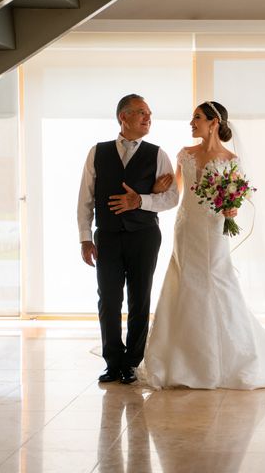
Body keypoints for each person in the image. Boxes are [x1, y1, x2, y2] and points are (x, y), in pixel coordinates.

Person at [141, 100, 265, 389]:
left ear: (214, 123)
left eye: (197, 118)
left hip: (213, 230)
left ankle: (222, 359)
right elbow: (175, 192)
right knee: (184, 279)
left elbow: (236, 198)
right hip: (186, 227)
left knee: (217, 281)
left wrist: (231, 210)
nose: (192, 122)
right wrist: (156, 189)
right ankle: (180, 359)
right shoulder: (184, 154)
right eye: (192, 118)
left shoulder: (230, 159)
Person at [77, 94, 179, 384]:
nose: (148, 118)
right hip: (107, 236)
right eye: (141, 113)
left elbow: (172, 197)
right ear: (123, 117)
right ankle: (112, 361)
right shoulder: (97, 151)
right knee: (108, 299)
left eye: (150, 114)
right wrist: (85, 237)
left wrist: (141, 201)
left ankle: (131, 363)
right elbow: (85, 198)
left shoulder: (157, 154)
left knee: (139, 298)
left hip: (144, 236)